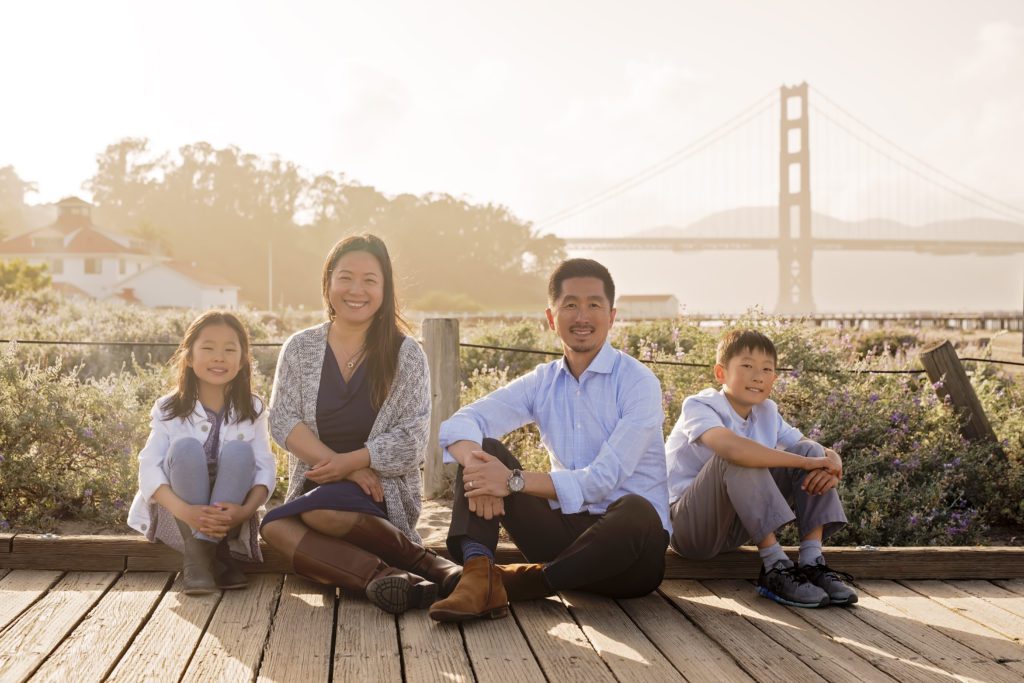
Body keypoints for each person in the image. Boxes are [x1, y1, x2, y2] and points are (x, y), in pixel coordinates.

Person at [428, 258, 670, 623]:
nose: (582, 316)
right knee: (485, 451)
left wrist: (511, 481)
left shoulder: (638, 383)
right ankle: (478, 576)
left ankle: (520, 583)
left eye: (594, 305)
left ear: (612, 315)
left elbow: (603, 479)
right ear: (551, 316)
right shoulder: (542, 381)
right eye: (570, 305)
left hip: (629, 556)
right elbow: (462, 422)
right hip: (563, 541)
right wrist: (481, 468)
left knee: (637, 509)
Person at [260, 234, 460, 615]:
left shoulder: (407, 354)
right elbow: (283, 420)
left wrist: (354, 463)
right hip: (317, 481)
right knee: (273, 527)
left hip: (382, 493)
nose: (357, 290)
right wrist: (343, 468)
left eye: (370, 280)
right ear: (328, 282)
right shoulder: (301, 348)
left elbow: (412, 441)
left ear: (385, 288)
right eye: (346, 277)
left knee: (321, 513)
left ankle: (422, 562)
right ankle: (387, 577)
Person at [665, 329, 858, 607]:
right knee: (738, 455)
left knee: (811, 450)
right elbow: (733, 450)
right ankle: (774, 567)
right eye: (747, 366)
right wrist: (808, 462)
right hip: (690, 528)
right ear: (720, 373)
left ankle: (811, 562)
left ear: (774, 379)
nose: (758, 376)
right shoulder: (700, 405)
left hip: (736, 527)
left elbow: (806, 446)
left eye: (767, 369)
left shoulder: (767, 410)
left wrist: (831, 458)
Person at [128, 311, 276, 595]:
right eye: (208, 348)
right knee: (185, 447)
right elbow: (149, 467)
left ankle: (199, 557)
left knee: (240, 452)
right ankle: (214, 555)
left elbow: (264, 468)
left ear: (243, 358)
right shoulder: (168, 408)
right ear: (189, 356)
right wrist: (186, 511)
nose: (219, 357)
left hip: (230, 514)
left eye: (229, 349)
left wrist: (244, 512)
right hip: (181, 514)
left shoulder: (253, 408)